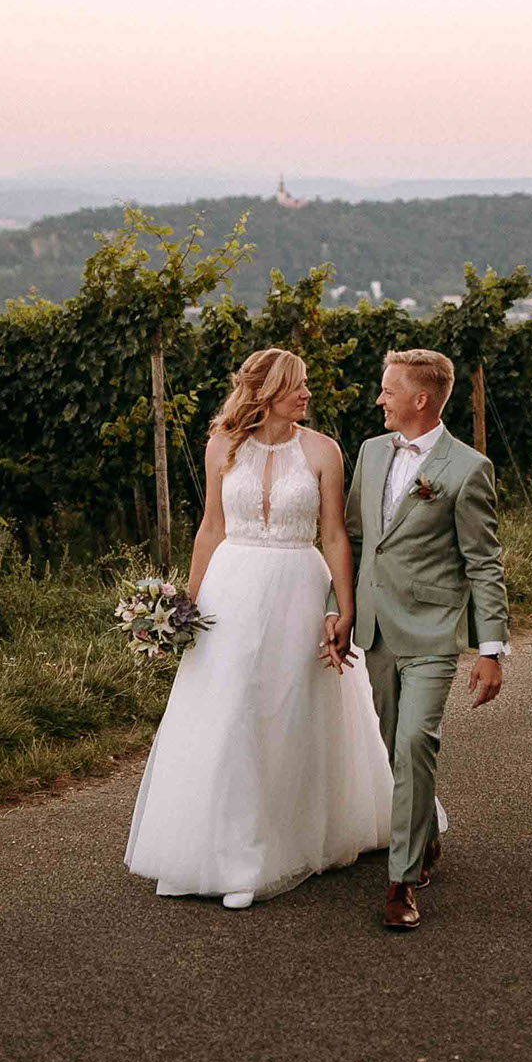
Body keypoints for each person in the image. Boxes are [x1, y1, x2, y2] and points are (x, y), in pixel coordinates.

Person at [124, 349, 393, 907]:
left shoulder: (323, 451)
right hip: (232, 590)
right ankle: (212, 853)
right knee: (226, 712)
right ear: (267, 390)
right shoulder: (221, 445)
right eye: (297, 385)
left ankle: (266, 852)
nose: (306, 395)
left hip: (297, 587)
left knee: (285, 712)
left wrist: (345, 611)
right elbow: (209, 529)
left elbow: (336, 536)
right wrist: (185, 609)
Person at [336, 348, 508, 931]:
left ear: (421, 399)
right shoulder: (369, 452)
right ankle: (425, 834)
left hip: (434, 634)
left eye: (387, 390)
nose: (378, 399)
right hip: (376, 632)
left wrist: (491, 650)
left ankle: (401, 882)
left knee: (414, 744)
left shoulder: (467, 468)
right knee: (391, 748)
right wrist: (341, 613)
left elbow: (483, 564)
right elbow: (357, 542)